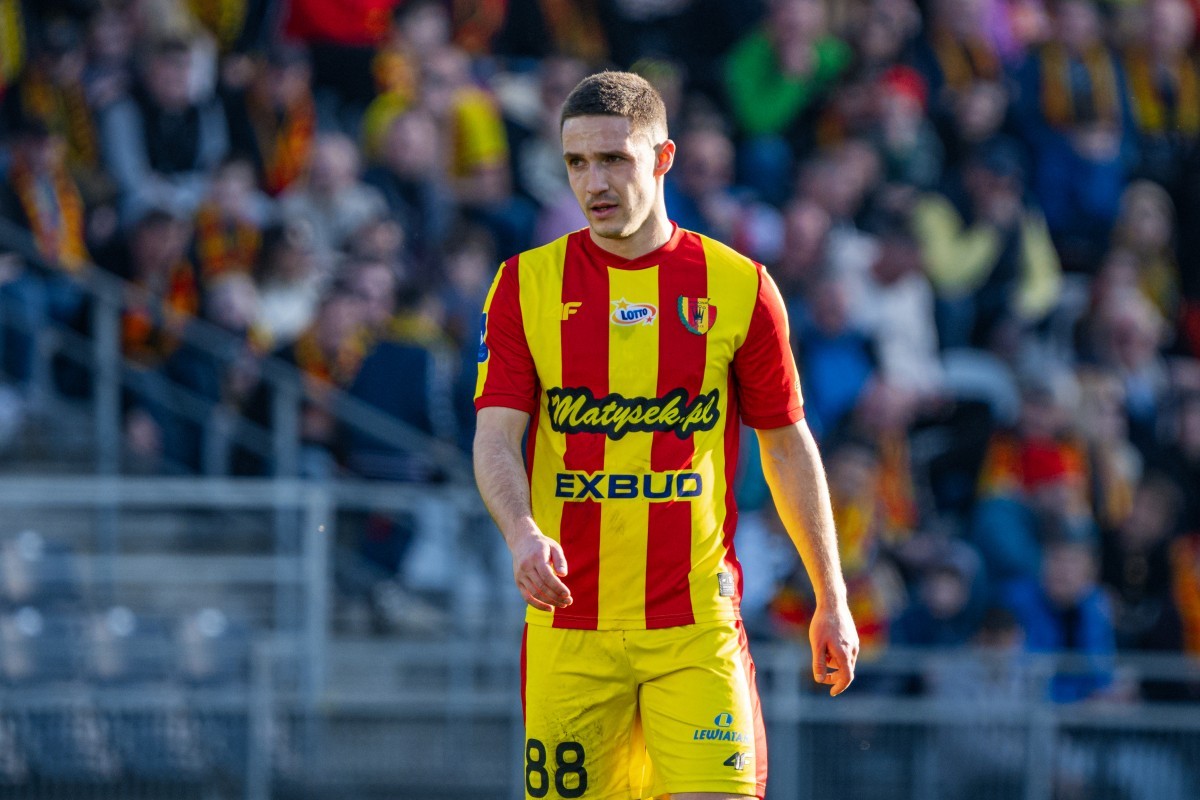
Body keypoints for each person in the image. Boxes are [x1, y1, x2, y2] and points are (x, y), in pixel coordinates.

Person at [472, 71, 858, 800]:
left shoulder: (739, 286)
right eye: (577, 163)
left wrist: (830, 595)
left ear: (663, 158)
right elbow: (495, 437)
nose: (594, 182)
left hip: (695, 627)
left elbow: (786, 444)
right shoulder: (523, 286)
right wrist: (521, 532)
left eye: (613, 159)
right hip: (570, 627)